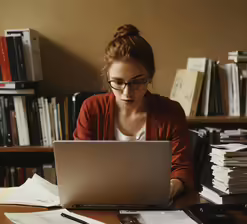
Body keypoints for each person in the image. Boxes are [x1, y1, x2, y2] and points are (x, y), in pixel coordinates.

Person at [74, 24, 194, 198]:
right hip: (102, 202)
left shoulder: (171, 112)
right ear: (107, 77)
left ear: (150, 76)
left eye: (137, 82)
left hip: (158, 207)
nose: (126, 93)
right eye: (117, 82)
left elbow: (182, 168)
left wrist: (171, 187)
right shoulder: (91, 109)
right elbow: (80, 164)